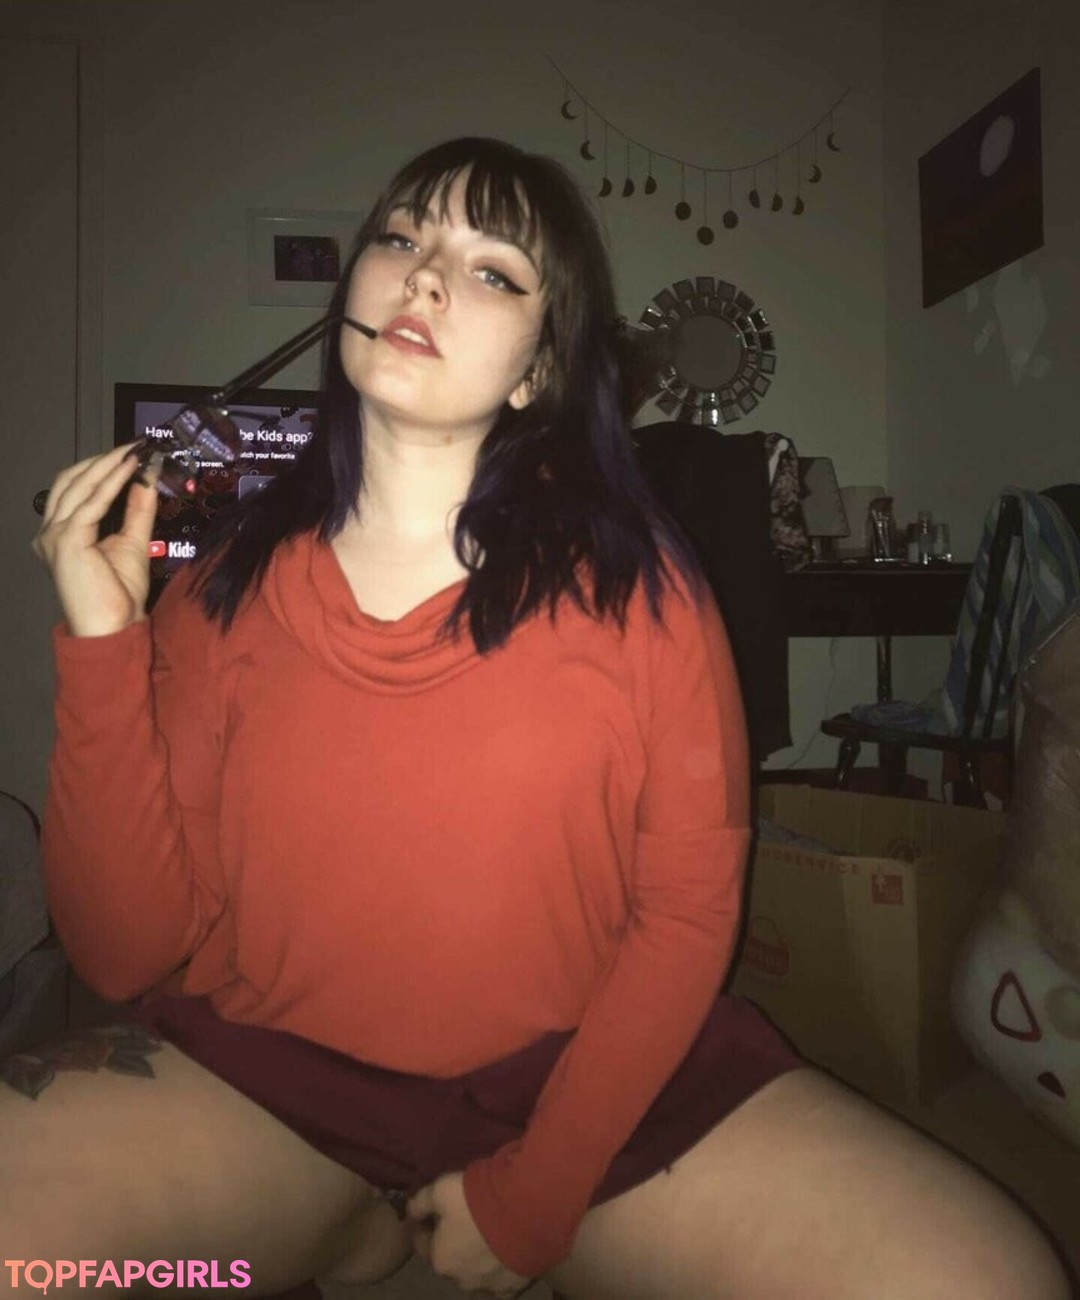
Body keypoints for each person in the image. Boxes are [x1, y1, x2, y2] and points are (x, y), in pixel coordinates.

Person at [16, 136, 1071, 1300]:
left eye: (492, 270)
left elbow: (685, 915)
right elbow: (121, 952)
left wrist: (532, 1197)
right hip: (271, 1081)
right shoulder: (221, 592)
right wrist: (104, 643)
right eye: (403, 237)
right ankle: (344, 1221)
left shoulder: (646, 591)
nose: (425, 275)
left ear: (537, 370)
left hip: (590, 1088)